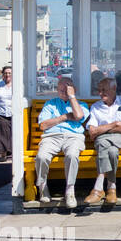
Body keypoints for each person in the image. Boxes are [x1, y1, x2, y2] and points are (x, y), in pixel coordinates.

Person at [34, 76, 88, 208]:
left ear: (72, 90)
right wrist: (64, 117)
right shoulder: (50, 104)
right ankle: (43, 186)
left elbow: (79, 116)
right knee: (41, 156)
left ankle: (70, 190)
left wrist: (72, 97)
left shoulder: (81, 104)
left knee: (72, 155)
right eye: (60, 90)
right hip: (52, 136)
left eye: (66, 90)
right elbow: (43, 126)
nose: (63, 92)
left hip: (73, 136)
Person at [84, 77, 121, 205]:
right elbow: (92, 131)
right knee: (112, 151)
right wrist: (113, 125)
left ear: (114, 88)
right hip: (109, 141)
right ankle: (111, 188)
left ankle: (98, 187)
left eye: (103, 90)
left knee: (102, 142)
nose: (100, 93)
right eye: (99, 90)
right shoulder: (96, 107)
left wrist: (103, 130)